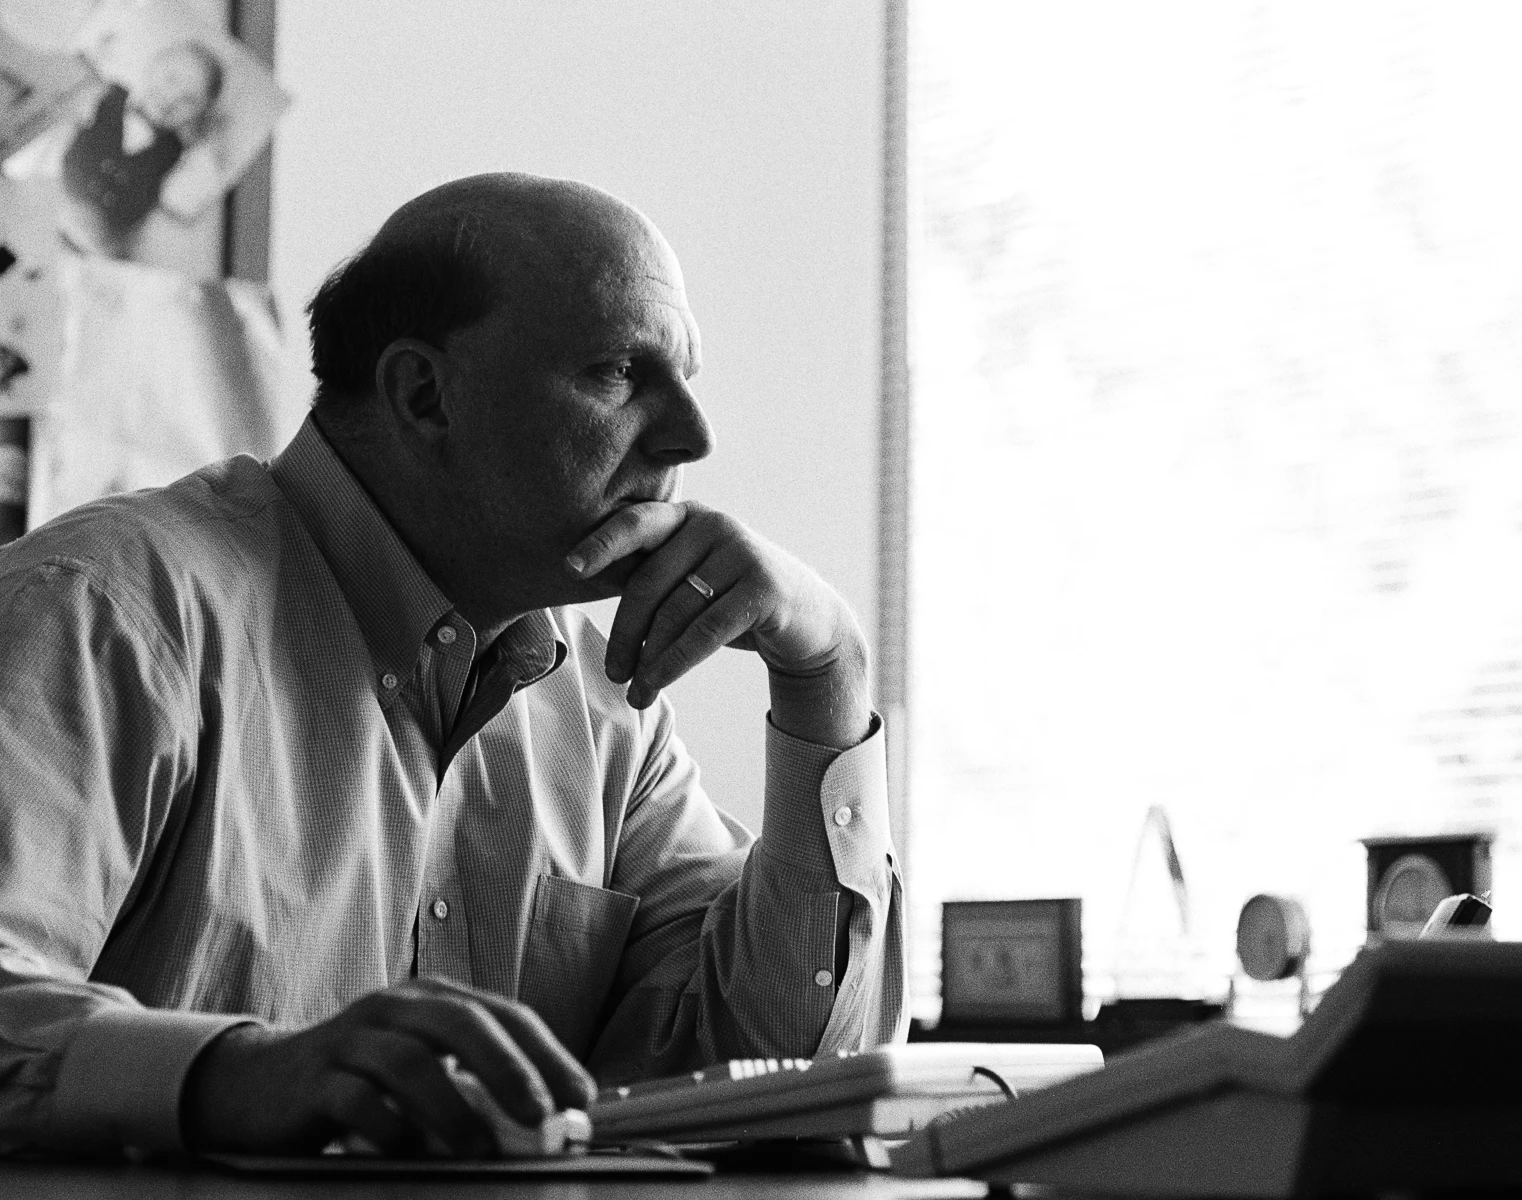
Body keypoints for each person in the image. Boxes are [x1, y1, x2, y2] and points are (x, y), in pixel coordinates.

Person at [0, 172, 903, 1160]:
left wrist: (826, 676)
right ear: (423, 394)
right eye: (618, 372)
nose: (693, 435)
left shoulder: (610, 706)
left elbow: (782, 1087)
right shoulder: (108, 611)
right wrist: (235, 1074)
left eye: (685, 378)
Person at [59, 39, 224, 254]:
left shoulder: (173, 152)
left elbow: (182, 203)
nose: (172, 98)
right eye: (171, 79)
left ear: (199, 114)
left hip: (106, 239)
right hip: (62, 198)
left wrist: (204, 139)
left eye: (189, 100)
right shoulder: (110, 96)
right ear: (152, 67)